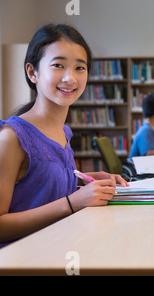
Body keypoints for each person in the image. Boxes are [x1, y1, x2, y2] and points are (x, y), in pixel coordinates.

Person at [0, 24, 128, 248]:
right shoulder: (11, 138)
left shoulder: (64, 132)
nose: (70, 78)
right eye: (58, 65)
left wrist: (84, 180)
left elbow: (36, 185)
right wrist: (73, 202)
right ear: (33, 72)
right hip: (24, 261)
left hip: (63, 248)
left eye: (80, 68)